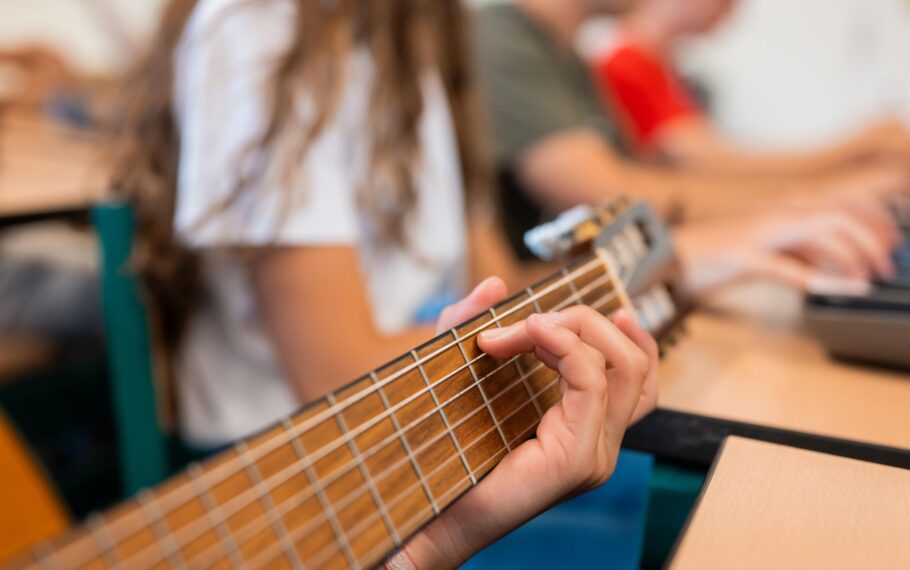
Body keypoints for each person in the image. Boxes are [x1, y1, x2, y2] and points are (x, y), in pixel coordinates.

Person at [112, 0, 656, 567]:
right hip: (302, 476)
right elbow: (336, 374)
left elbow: (493, 286)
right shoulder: (256, 26)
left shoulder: (420, 34)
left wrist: (654, 276)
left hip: (433, 417)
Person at [472, 0, 902, 285]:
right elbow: (616, 196)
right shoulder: (507, 42)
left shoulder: (572, 59)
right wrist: (817, 191)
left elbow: (648, 184)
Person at [587, 0, 910, 174]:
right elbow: (705, 163)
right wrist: (854, 148)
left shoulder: (665, 68)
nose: (734, 10)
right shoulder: (626, 63)